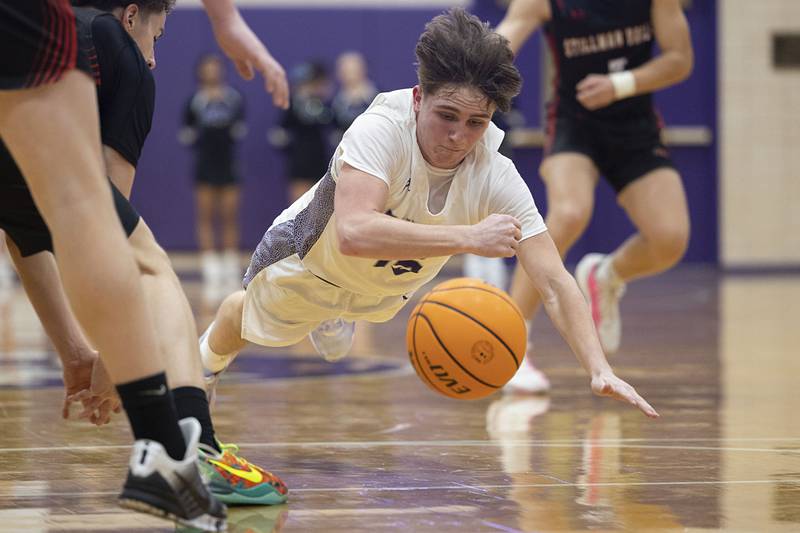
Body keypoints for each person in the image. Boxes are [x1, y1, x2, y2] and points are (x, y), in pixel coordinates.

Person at [201, 8, 660, 421]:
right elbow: (354, 232)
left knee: (349, 322)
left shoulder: (495, 173)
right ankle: (203, 367)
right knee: (246, 321)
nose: (459, 136)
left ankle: (335, 314)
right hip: (309, 262)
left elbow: (554, 281)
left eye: (477, 122)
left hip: (382, 291)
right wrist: (469, 237)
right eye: (447, 116)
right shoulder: (380, 128)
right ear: (419, 97)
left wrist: (598, 368)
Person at [0, 0, 287, 529]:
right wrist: (115, 357)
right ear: (132, 16)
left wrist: (74, 352)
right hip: (24, 31)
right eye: (159, 34)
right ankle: (184, 449)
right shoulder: (113, 46)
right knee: (150, 264)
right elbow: (106, 235)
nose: (154, 57)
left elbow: (21, 232)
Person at [496, 0, 693, 393]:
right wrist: (460, 71)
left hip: (635, 126)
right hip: (575, 122)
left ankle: (607, 275)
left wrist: (621, 84)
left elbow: (680, 59)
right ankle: (513, 342)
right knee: (569, 213)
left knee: (670, 239)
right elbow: (498, 46)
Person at [180, 54, 247, 294]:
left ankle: (230, 262)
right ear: (200, 72)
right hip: (205, 164)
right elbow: (187, 133)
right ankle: (210, 265)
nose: (212, 72)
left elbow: (239, 129)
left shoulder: (233, 99)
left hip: (228, 163)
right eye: (208, 68)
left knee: (229, 214)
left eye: (216, 67)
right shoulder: (195, 101)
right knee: (206, 214)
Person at [275, 61, 333, 203]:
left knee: (322, 205)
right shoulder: (293, 105)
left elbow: (332, 126)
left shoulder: (326, 105)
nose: (312, 88)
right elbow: (280, 133)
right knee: (300, 205)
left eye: (316, 84)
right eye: (308, 84)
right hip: (300, 162)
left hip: (321, 161)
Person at [331, 51, 378, 141]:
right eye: (346, 70)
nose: (350, 74)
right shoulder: (333, 105)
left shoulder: (380, 98)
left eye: (353, 69)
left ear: (363, 69)